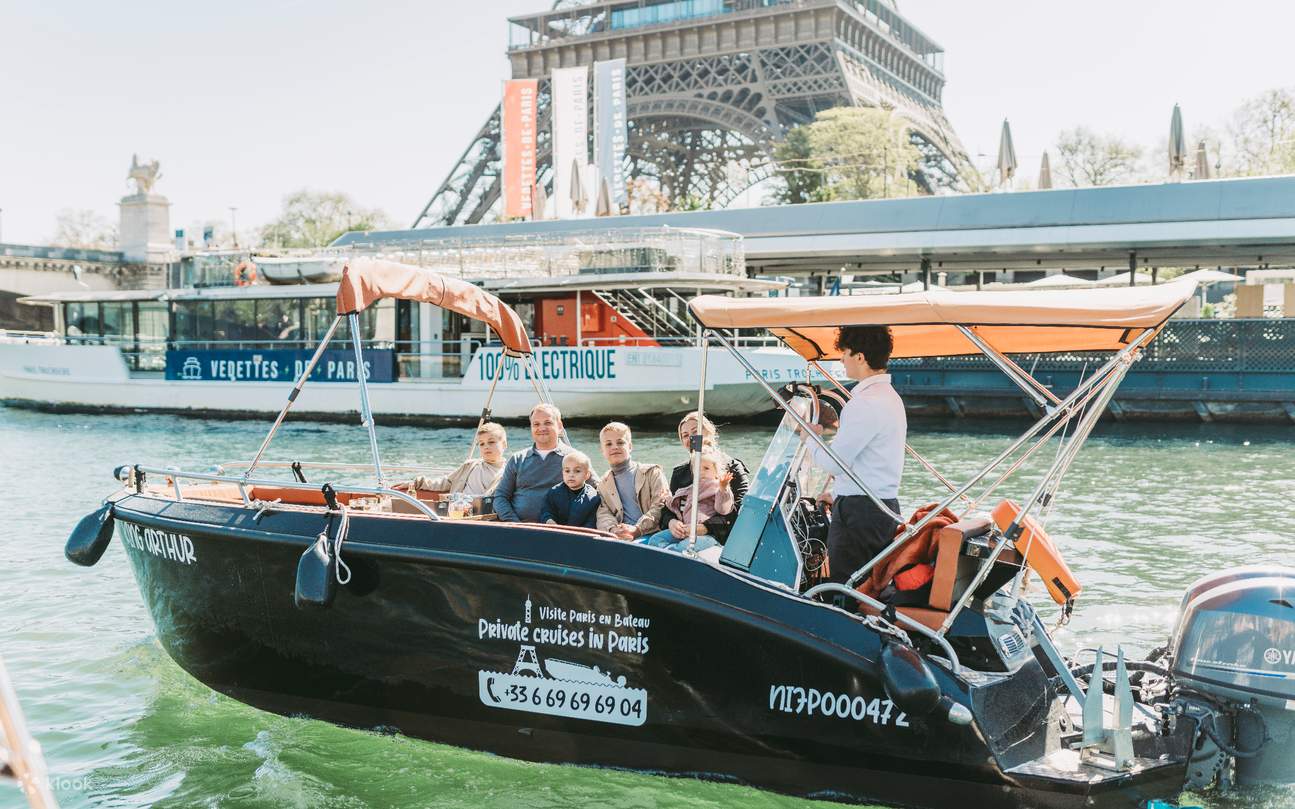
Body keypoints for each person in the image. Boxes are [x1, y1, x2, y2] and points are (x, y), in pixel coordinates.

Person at [810, 325, 906, 584]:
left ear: (860, 357)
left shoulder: (864, 402)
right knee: (865, 586)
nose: (841, 359)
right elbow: (873, 461)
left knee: (844, 587)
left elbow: (834, 463)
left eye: (846, 353)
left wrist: (810, 437)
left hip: (859, 512)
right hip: (883, 506)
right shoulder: (891, 398)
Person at [656, 411, 750, 545]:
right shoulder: (679, 473)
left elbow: (741, 510)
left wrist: (706, 527)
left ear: (710, 433)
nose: (691, 438)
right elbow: (669, 509)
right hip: (684, 532)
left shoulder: (733, 467)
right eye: (685, 436)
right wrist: (672, 522)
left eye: (695, 432)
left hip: (718, 539)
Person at [640, 450, 735, 553]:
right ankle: (667, 553)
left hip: (706, 536)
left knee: (684, 548)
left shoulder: (717, 489)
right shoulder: (689, 489)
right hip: (684, 530)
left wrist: (723, 488)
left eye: (706, 468)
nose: (701, 472)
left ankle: (670, 552)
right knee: (655, 539)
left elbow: (723, 509)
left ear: (717, 473)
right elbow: (675, 504)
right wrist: (667, 498)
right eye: (697, 468)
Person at [493, 403, 571, 522]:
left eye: (548, 423)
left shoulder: (574, 458)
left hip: (559, 532)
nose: (541, 428)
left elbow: (595, 490)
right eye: (536, 424)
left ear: (559, 426)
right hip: (520, 531)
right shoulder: (517, 459)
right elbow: (500, 497)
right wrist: (514, 524)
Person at [594, 422, 668, 540]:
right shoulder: (603, 484)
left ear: (630, 446)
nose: (614, 447)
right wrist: (612, 529)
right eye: (608, 444)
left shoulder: (652, 472)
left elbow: (660, 504)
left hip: (652, 533)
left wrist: (637, 529)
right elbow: (603, 514)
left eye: (620, 442)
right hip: (621, 536)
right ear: (602, 450)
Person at [410, 422, 507, 497]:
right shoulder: (470, 465)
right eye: (481, 443)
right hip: (458, 511)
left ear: (504, 445)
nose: (486, 446)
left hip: (483, 515)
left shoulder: (508, 473)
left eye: (491, 442)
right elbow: (446, 482)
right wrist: (417, 482)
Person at [540, 451, 601, 529]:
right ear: (563, 473)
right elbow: (546, 511)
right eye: (567, 471)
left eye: (577, 471)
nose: (571, 475)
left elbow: (592, 521)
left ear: (587, 475)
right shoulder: (554, 492)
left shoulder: (593, 497)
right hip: (555, 533)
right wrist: (549, 521)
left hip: (582, 536)